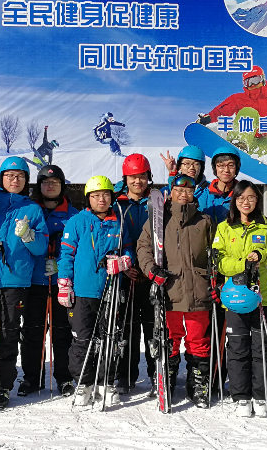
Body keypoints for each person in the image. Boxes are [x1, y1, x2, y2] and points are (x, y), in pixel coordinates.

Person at [0, 156, 49, 409]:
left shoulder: (32, 209)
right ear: (1, 178)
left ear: (27, 180)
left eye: (20, 176)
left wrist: (28, 235)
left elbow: (41, 248)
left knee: (7, 332)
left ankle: (1, 386)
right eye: (10, 175)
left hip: (15, 280)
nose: (15, 180)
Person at [211, 180, 267, 417]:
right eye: (241, 197)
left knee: (261, 347)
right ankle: (241, 396)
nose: (246, 202)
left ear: (257, 200)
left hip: (263, 297)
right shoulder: (225, 227)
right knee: (237, 347)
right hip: (235, 297)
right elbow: (219, 261)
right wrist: (242, 264)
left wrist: (262, 255)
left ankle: (262, 395)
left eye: (251, 197)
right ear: (234, 200)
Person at [136, 174, 214, 407]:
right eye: (179, 189)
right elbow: (143, 247)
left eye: (188, 190)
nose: (184, 194)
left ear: (194, 192)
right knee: (169, 338)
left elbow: (215, 253)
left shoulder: (204, 221)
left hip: (198, 291)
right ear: (170, 192)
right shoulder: (158, 220)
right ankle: (167, 377)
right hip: (169, 290)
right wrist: (151, 270)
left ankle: (197, 382)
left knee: (198, 340)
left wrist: (216, 281)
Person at [57, 175, 132, 407]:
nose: (101, 199)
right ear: (88, 198)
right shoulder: (77, 221)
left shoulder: (119, 221)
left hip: (110, 290)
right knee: (82, 339)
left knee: (110, 338)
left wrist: (124, 261)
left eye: (106, 195)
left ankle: (105, 381)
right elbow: (66, 255)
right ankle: (84, 382)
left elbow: (129, 248)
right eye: (96, 195)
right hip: (83, 291)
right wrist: (64, 283)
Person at [18, 164, 78, 397]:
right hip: (35, 281)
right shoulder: (31, 211)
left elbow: (76, 247)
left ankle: (64, 377)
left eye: (55, 182)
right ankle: (31, 378)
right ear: (38, 186)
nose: (50, 186)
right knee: (33, 332)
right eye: (45, 182)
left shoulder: (73, 215)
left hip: (62, 283)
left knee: (62, 332)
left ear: (62, 186)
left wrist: (62, 269)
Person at [112, 154, 155, 396]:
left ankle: (156, 373)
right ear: (125, 178)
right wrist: (124, 264)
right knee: (126, 327)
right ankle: (125, 375)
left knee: (153, 325)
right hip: (126, 272)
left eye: (142, 176)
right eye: (133, 177)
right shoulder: (116, 202)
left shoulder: (157, 201)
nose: (138, 181)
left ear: (149, 177)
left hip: (151, 273)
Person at [198, 146, 241, 225]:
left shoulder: (242, 194)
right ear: (215, 168)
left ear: (236, 168)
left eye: (231, 165)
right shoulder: (203, 194)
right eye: (221, 165)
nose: (226, 170)